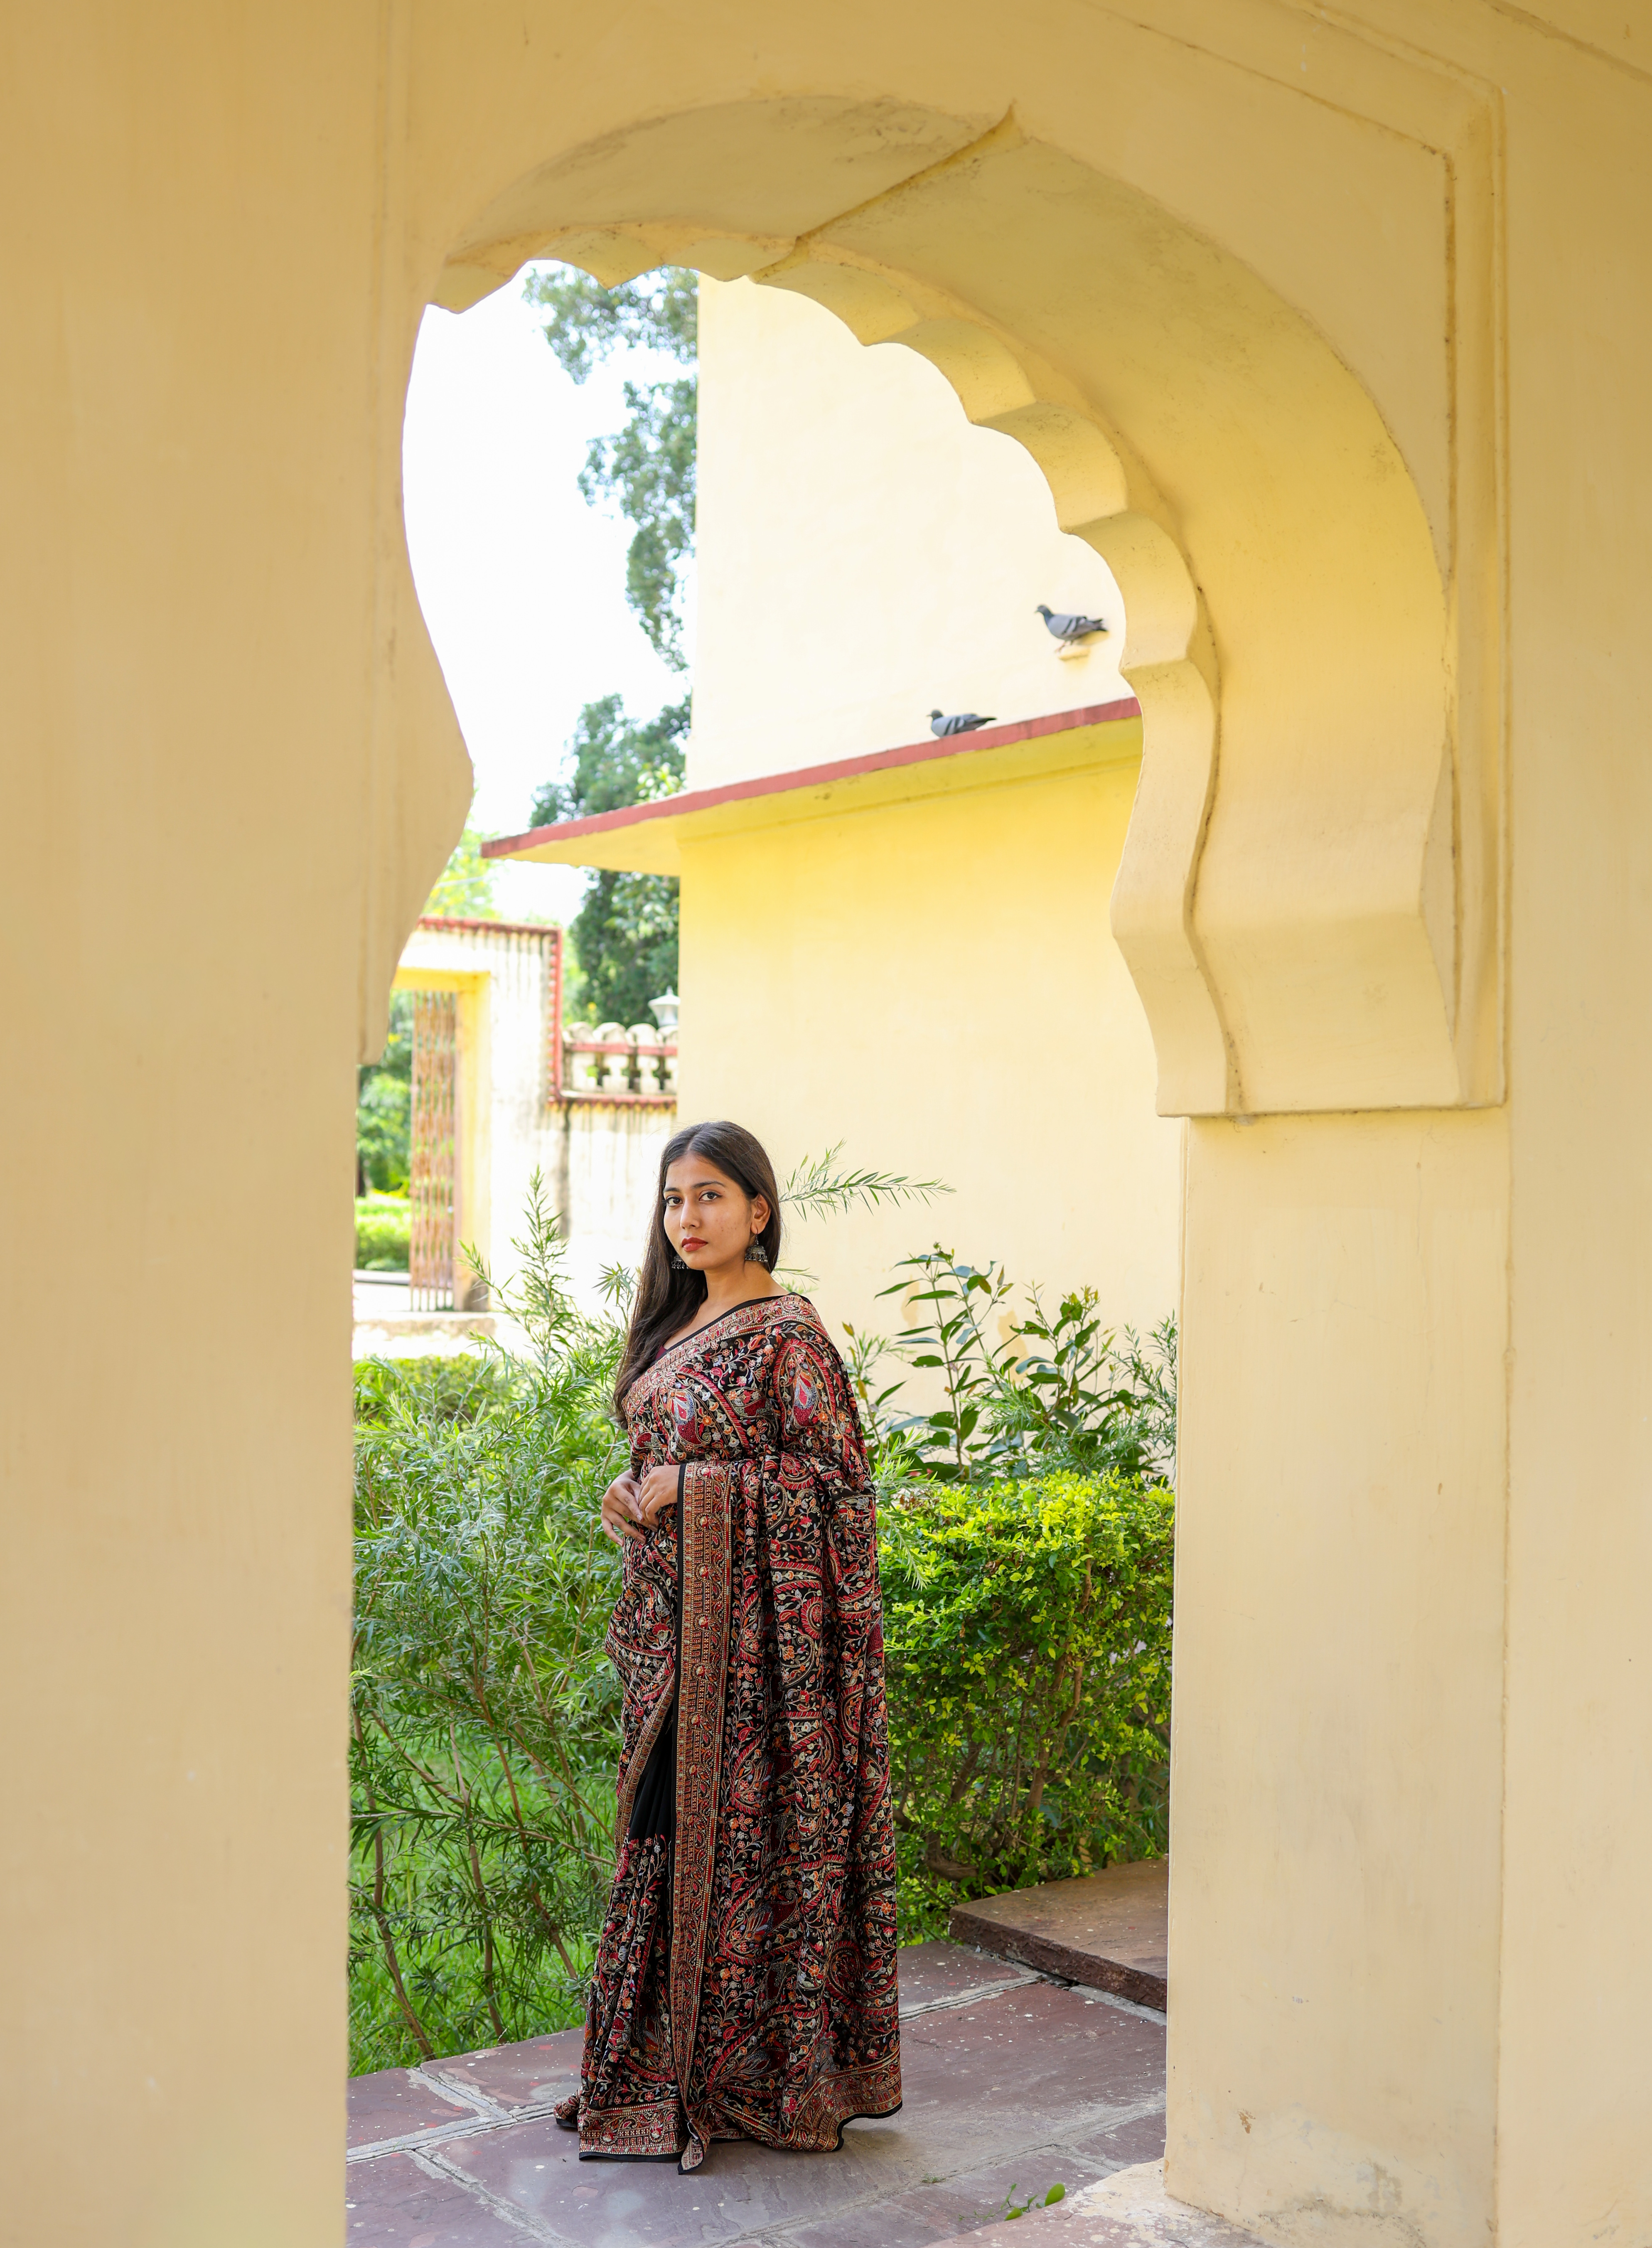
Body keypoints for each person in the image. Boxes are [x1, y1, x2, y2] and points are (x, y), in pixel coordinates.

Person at [553, 1119, 901, 2173]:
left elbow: (838, 1493)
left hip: (763, 1674)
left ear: (758, 1209)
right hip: (671, 1647)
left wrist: (701, 1489)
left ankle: (756, 2078)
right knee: (658, 1846)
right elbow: (659, 1463)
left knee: (750, 1852)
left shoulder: (788, 1333)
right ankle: (656, 2067)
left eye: (708, 1196)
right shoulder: (670, 1330)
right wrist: (635, 1495)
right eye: (671, 1200)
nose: (686, 1218)